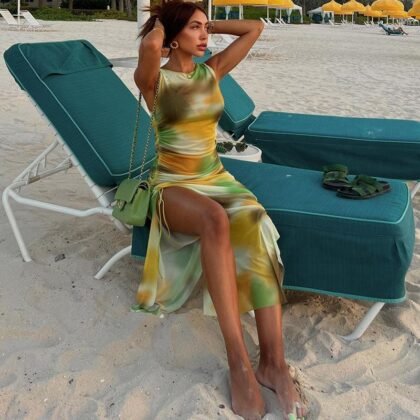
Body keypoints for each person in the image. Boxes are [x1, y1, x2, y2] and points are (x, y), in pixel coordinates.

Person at [134, 1, 306, 419]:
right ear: (173, 36)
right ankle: (238, 362)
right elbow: (150, 48)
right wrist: (163, 25)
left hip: (215, 176)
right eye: (194, 28)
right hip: (173, 184)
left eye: (205, 28)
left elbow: (255, 28)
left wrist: (207, 22)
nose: (204, 35)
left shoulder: (211, 71)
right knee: (214, 219)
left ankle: (273, 362)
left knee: (255, 221)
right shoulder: (154, 81)